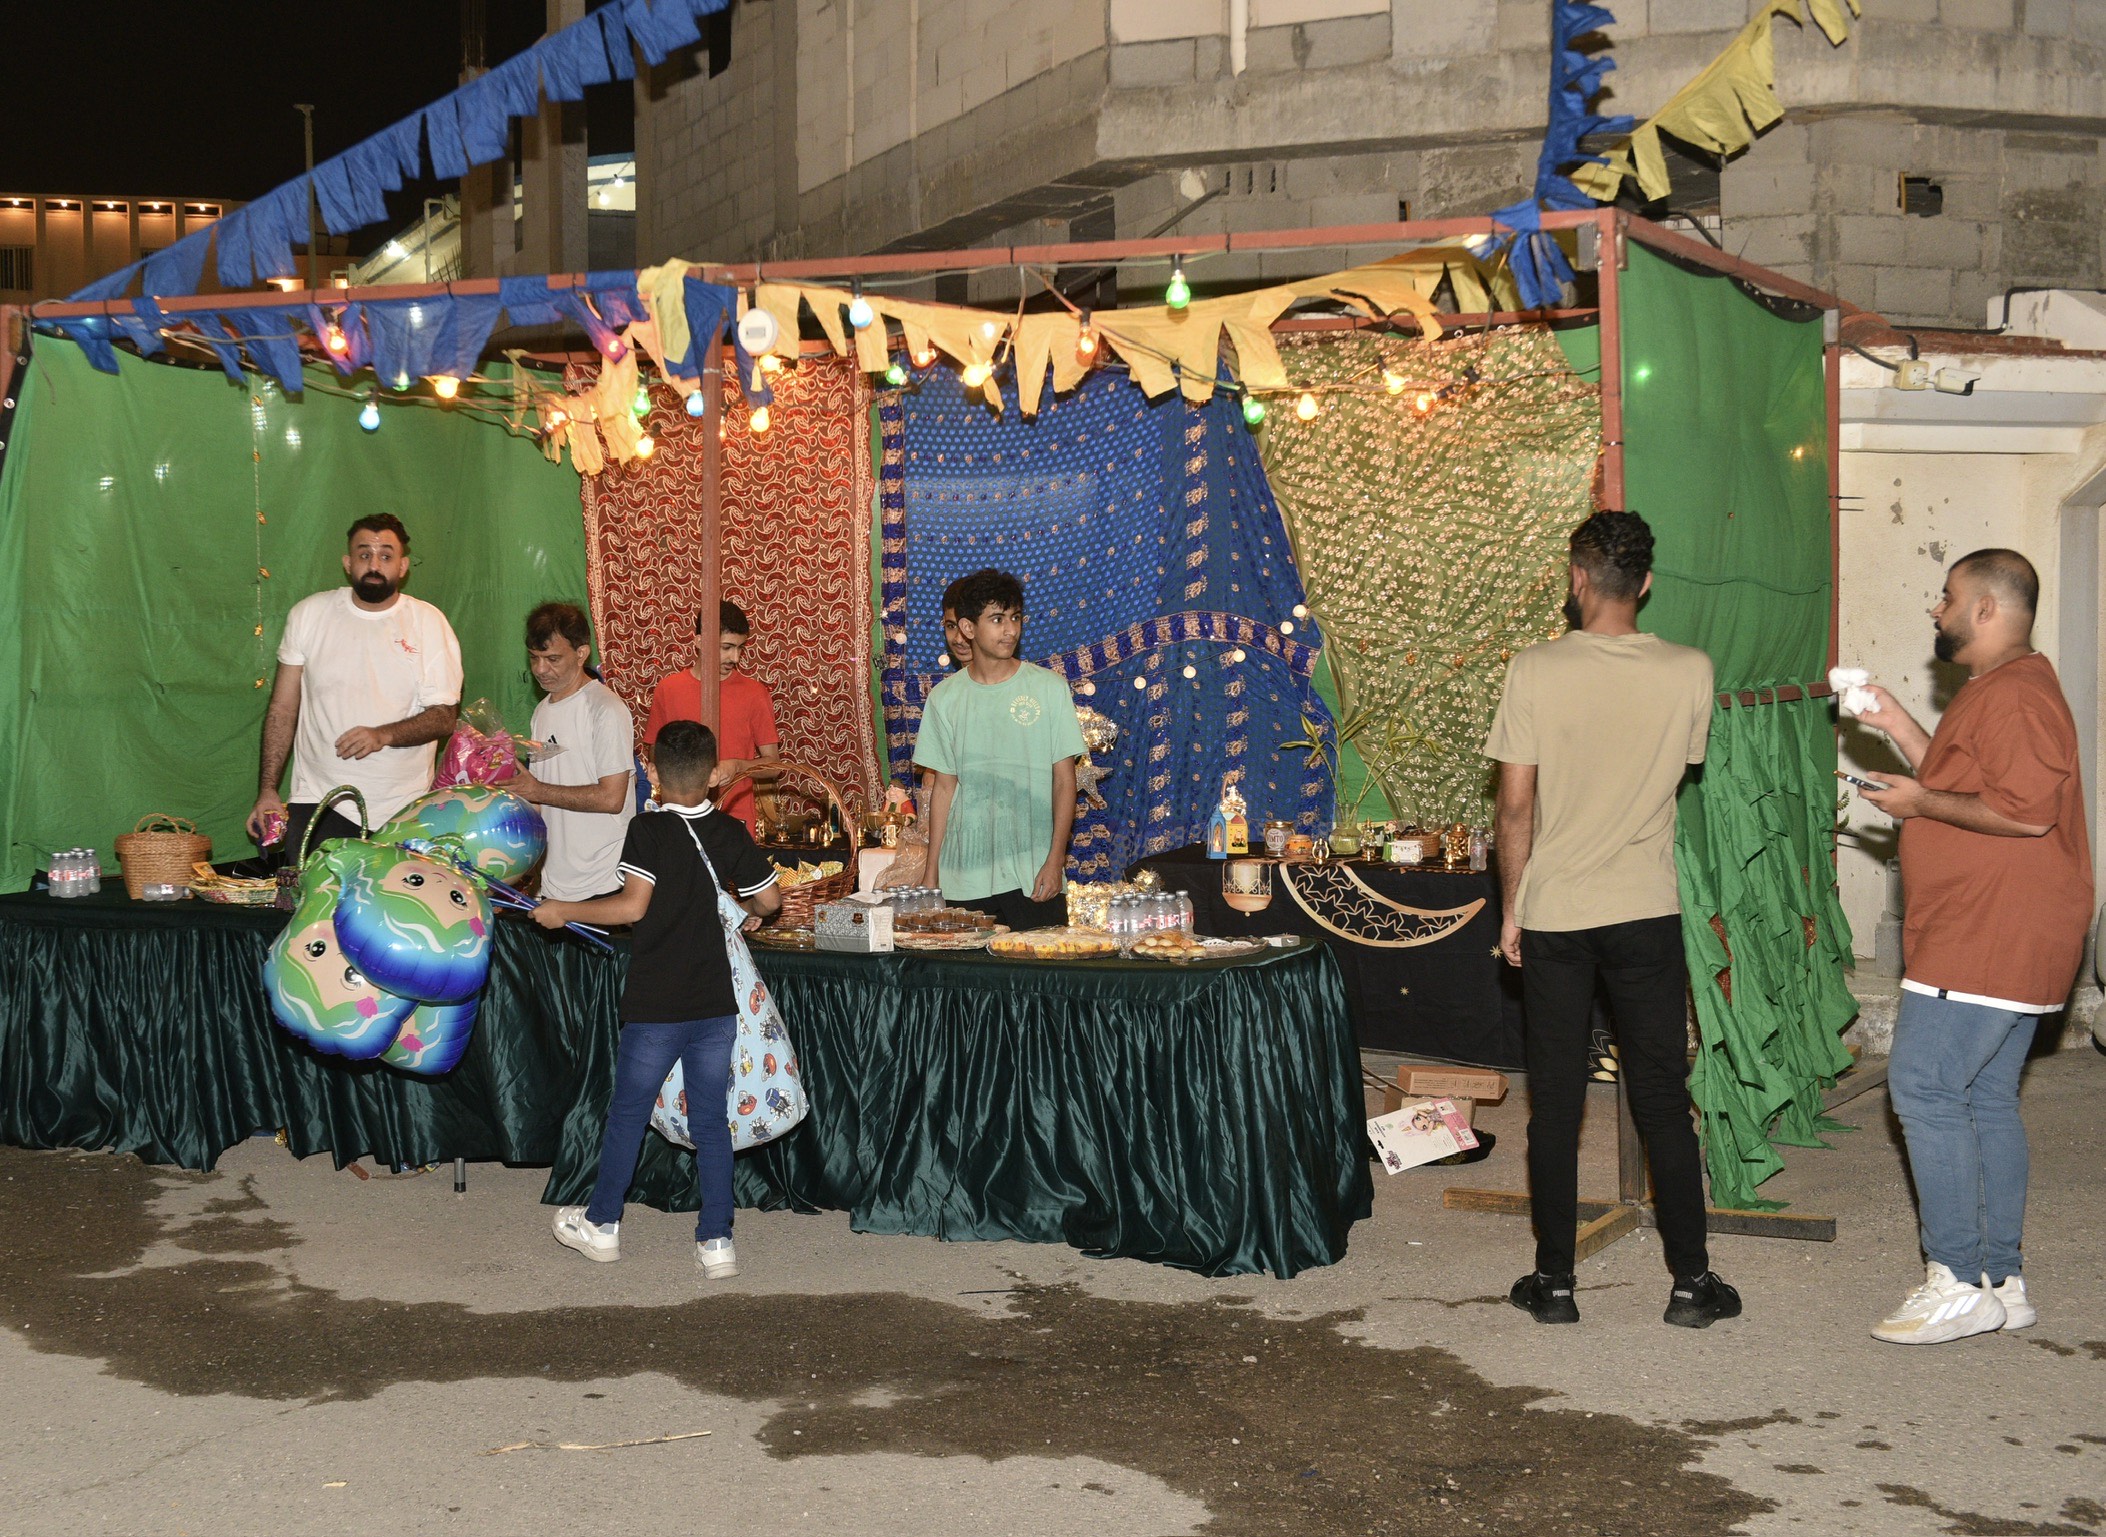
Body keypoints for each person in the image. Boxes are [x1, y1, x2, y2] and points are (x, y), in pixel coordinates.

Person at [1484, 511, 1738, 1329]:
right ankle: (1691, 1284)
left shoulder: (1534, 669)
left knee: (1557, 1101)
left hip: (1558, 909)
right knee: (1662, 1094)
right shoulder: (1690, 669)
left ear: (1577, 578)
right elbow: (1682, 768)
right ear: (1647, 582)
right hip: (1645, 908)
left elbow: (1514, 807)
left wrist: (1514, 907)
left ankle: (1554, 1283)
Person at [1852, 548, 2091, 1345]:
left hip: (1987, 930)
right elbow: (1972, 785)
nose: (1936, 608)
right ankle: (1998, 1279)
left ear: (1986, 608)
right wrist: (1897, 723)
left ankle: (1955, 1278)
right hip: (2001, 929)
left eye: (1947, 595)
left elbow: (2026, 813)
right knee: (1983, 1097)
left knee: (1923, 1086)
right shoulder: (2000, 688)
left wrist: (1920, 803)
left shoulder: (2017, 694)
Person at [538, 720, 781, 1277]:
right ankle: (717, 1241)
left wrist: (563, 910)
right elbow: (769, 901)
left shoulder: (646, 829)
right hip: (714, 1004)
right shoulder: (729, 831)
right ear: (715, 774)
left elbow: (632, 907)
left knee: (628, 1114)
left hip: (656, 1005)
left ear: (651, 772)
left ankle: (602, 1225)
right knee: (711, 1122)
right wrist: (741, 904)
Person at [248, 514, 462, 854]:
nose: (374, 565)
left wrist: (382, 735)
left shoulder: (428, 622)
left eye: (386, 556)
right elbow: (282, 708)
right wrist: (268, 790)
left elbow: (444, 717)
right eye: (364, 554)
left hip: (402, 810)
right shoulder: (308, 614)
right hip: (319, 800)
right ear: (348, 563)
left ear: (403, 566)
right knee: (312, 889)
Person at [915, 567, 1085, 930]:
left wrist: (1055, 860)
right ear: (968, 627)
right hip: (963, 878)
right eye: (997, 619)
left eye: (1015, 618)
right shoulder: (944, 698)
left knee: (1038, 965)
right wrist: (932, 872)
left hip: (1033, 876)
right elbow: (943, 789)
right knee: (965, 969)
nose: (1010, 630)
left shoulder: (1049, 688)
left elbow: (1064, 781)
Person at [501, 603, 635, 901]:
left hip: (603, 882)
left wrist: (537, 790)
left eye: (553, 659)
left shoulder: (606, 709)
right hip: (554, 883)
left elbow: (612, 798)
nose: (540, 669)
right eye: (534, 657)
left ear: (581, 653)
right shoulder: (541, 711)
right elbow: (539, 802)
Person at [642, 600, 780, 835]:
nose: (735, 657)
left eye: (740, 648)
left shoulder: (754, 693)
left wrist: (737, 766)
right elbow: (655, 752)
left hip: (735, 821)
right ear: (699, 642)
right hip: (679, 818)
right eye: (727, 647)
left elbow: (774, 766)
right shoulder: (668, 689)